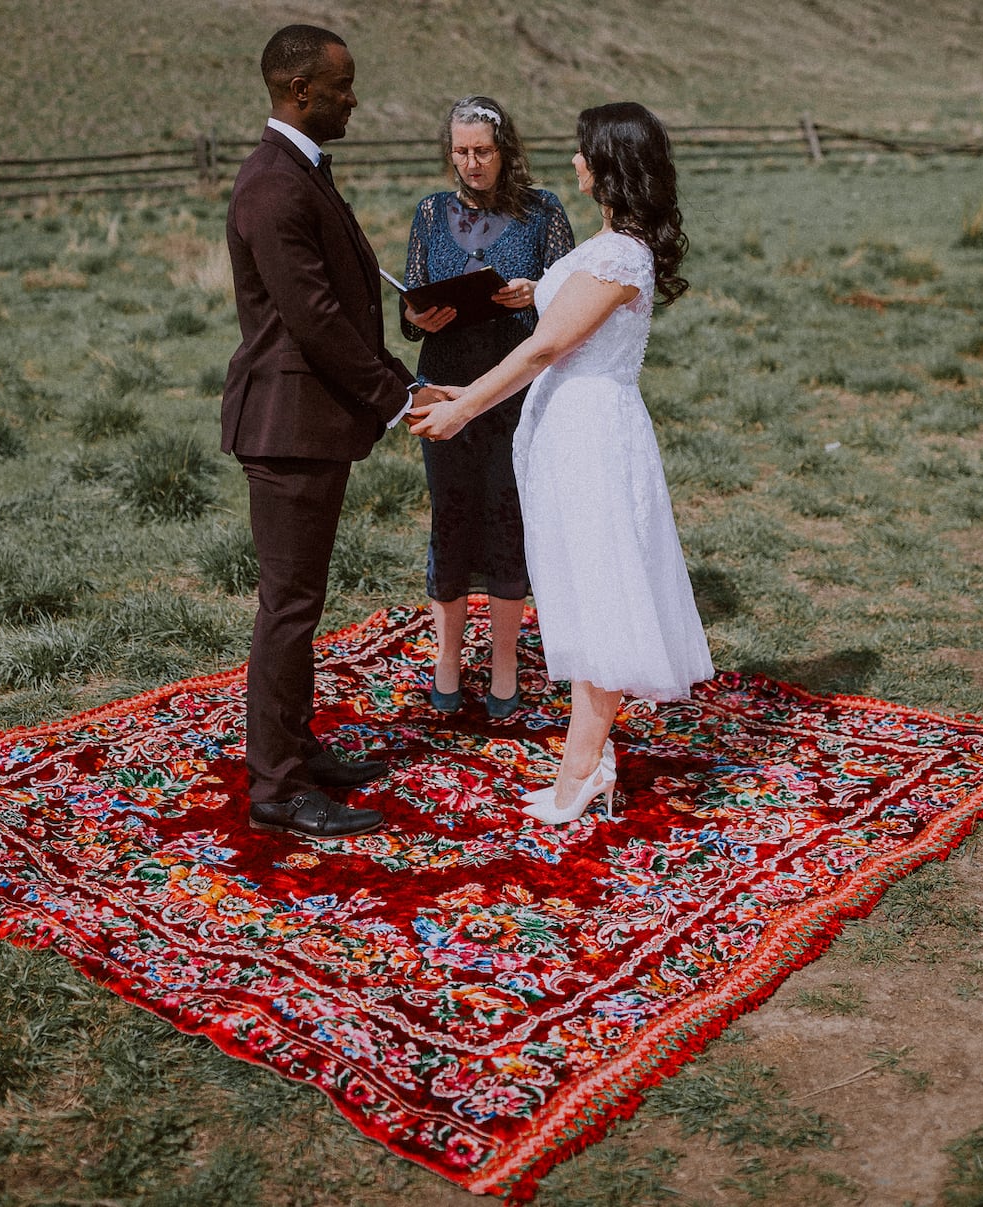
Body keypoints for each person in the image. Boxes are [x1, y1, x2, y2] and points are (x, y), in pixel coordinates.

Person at [408, 102, 714, 824]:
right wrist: (458, 388)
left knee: (601, 591)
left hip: (594, 437)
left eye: (584, 152)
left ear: (609, 164)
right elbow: (549, 350)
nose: (574, 162)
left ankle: (580, 771)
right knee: (576, 589)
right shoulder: (608, 242)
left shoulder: (619, 255)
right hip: (565, 429)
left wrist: (464, 409)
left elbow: (544, 348)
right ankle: (589, 758)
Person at [222, 25, 444, 839]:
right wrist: (402, 397)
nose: (356, 99)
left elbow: (335, 294)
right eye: (344, 87)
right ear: (301, 92)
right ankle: (277, 788)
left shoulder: (298, 173)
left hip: (310, 422)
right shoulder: (273, 187)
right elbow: (312, 320)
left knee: (301, 603)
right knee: (288, 607)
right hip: (288, 426)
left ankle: (297, 747)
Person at [401, 96, 574, 720]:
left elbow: (573, 310)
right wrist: (416, 314)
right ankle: (447, 662)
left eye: (483, 151)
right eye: (461, 151)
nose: (471, 163)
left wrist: (538, 291)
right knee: (449, 516)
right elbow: (408, 308)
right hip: (443, 390)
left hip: (515, 393)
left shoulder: (544, 212)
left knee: (507, 519)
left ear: (505, 151)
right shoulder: (428, 212)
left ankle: (505, 668)